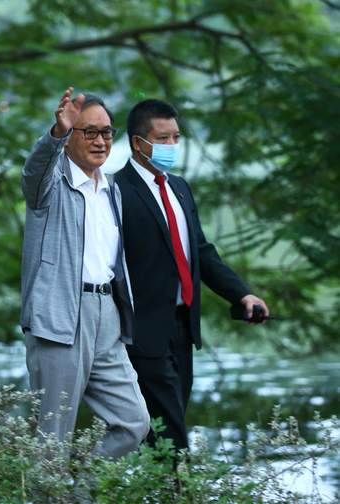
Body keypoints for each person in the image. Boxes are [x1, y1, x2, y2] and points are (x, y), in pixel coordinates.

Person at [114, 98, 269, 453]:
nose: (171, 146)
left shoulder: (179, 188)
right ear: (138, 143)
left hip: (183, 327)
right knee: (171, 437)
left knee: (165, 432)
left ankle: (153, 490)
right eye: (162, 138)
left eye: (176, 138)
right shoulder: (116, 190)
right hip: (142, 331)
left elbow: (199, 251)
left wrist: (242, 294)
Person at [20, 88, 149, 459]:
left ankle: (76, 491)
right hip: (60, 315)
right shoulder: (49, 184)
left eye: (106, 132)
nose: (99, 140)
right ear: (71, 135)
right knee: (53, 441)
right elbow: (34, 171)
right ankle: (50, 494)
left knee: (134, 423)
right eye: (88, 131)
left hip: (107, 317)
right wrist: (56, 135)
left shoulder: (112, 189)